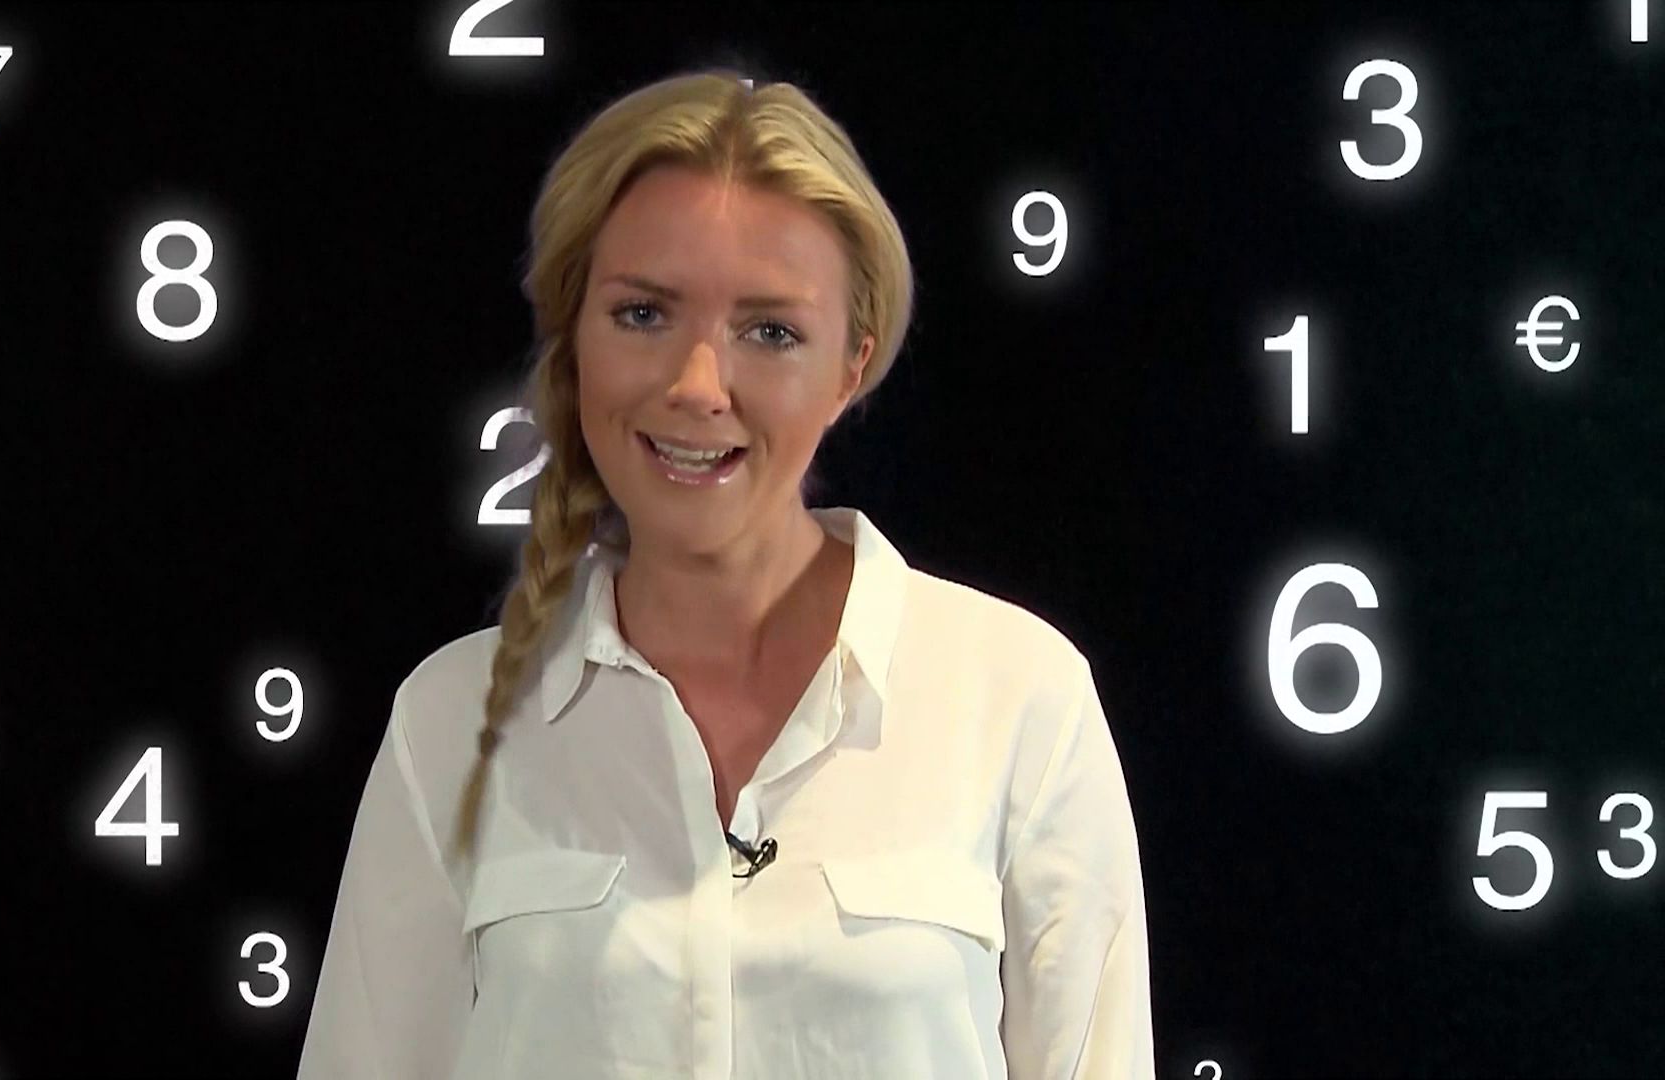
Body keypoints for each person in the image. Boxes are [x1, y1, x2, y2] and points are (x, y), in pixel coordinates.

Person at [297, 68, 1153, 1080]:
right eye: (642, 315)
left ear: (851, 366)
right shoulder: (447, 722)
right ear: (575, 337)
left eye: (771, 332)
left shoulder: (1020, 698)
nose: (698, 386)